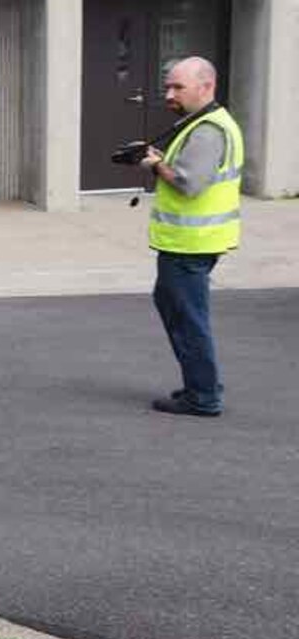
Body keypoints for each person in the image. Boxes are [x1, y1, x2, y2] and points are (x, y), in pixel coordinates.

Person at [137, 56, 242, 418]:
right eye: (168, 86)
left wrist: (155, 165)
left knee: (187, 318)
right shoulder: (201, 123)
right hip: (191, 242)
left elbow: (188, 183)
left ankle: (203, 395)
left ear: (206, 86)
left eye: (178, 87)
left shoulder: (208, 129)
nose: (170, 94)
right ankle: (202, 383)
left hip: (191, 244)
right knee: (175, 307)